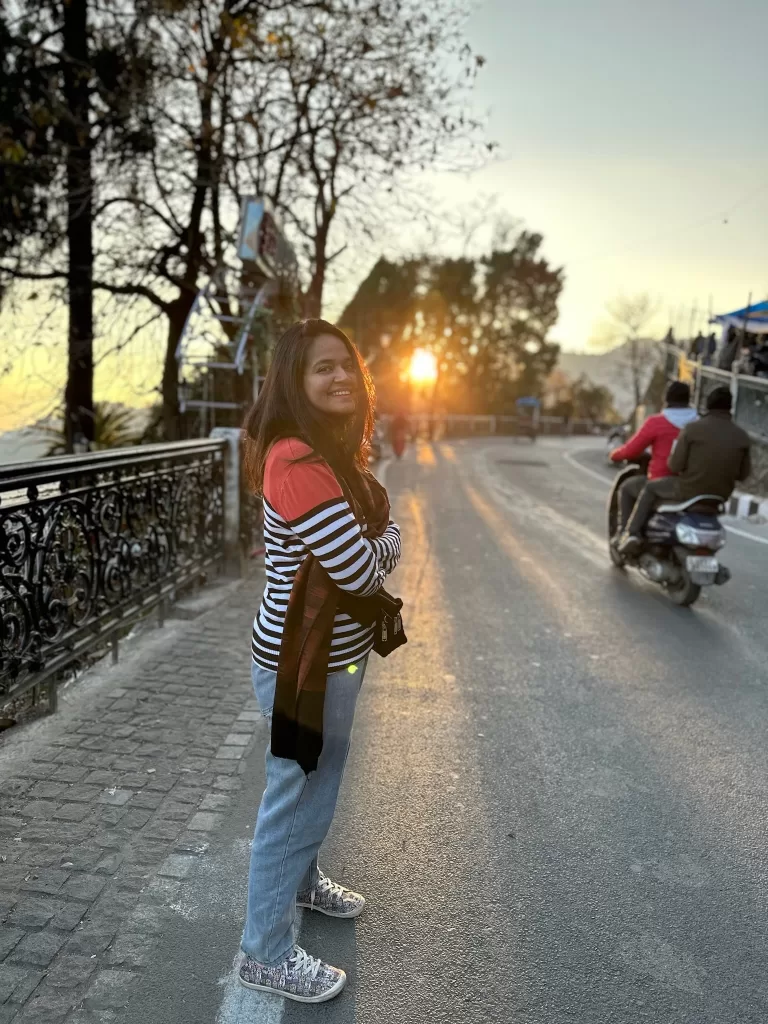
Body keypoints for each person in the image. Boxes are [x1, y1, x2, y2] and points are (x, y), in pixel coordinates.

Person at [239, 319, 403, 1003]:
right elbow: (361, 569)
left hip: (331, 661)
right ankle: (265, 953)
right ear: (295, 384)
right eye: (319, 369)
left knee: (317, 778)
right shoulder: (297, 461)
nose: (338, 377)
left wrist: (376, 540)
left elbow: (356, 556)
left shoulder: (330, 455)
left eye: (345, 364)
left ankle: (301, 884)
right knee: (297, 792)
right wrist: (390, 540)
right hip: (301, 670)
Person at [620, 386, 751, 552]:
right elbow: (743, 474)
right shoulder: (742, 436)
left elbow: (675, 465)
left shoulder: (693, 429)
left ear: (708, 405)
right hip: (721, 495)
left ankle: (631, 533)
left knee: (649, 487)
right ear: (730, 407)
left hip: (689, 490)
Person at [610, 381, 698, 536]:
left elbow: (631, 450)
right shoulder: (699, 423)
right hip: (692, 483)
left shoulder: (656, 422)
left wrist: (615, 454)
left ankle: (626, 534)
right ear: (688, 400)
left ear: (666, 399)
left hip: (661, 481)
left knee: (626, 487)